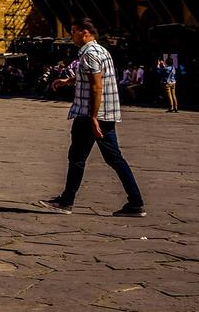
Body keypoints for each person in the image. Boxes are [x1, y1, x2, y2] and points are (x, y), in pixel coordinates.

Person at [36, 18, 145, 217]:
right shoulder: (102, 51)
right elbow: (92, 77)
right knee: (113, 158)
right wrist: (68, 80)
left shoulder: (89, 53)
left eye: (74, 32)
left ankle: (66, 202)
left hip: (91, 114)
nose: (72, 36)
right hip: (105, 113)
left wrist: (93, 116)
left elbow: (96, 86)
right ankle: (135, 202)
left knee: (77, 158)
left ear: (85, 32)